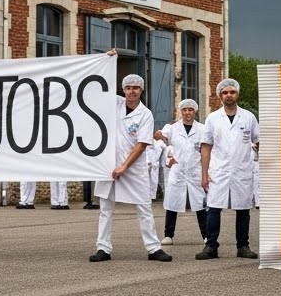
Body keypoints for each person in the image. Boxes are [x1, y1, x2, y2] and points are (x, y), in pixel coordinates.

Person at [88, 74, 171, 262]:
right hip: (109, 165)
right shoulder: (115, 104)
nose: (131, 91)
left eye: (135, 88)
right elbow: (97, 90)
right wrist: (108, 58)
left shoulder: (145, 114)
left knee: (143, 207)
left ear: (141, 90)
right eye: (128, 88)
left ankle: (153, 248)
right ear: (123, 90)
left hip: (134, 168)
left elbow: (141, 144)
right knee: (105, 209)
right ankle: (103, 248)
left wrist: (124, 166)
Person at [196, 78, 260, 260]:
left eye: (232, 92)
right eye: (225, 93)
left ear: (237, 94)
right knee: (214, 209)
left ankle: (243, 246)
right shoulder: (213, 118)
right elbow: (206, 146)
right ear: (220, 96)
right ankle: (211, 246)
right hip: (219, 171)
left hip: (242, 170)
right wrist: (204, 174)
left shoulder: (248, 117)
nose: (229, 95)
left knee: (243, 210)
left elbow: (258, 140)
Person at [158, 99, 207, 245]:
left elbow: (207, 150)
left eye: (190, 110)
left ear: (195, 111)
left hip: (195, 171)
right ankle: (168, 235)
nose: (187, 113)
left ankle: (206, 235)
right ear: (181, 111)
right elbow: (164, 139)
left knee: (201, 205)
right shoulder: (172, 128)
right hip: (178, 171)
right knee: (172, 203)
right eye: (184, 110)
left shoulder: (202, 129)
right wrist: (160, 135)